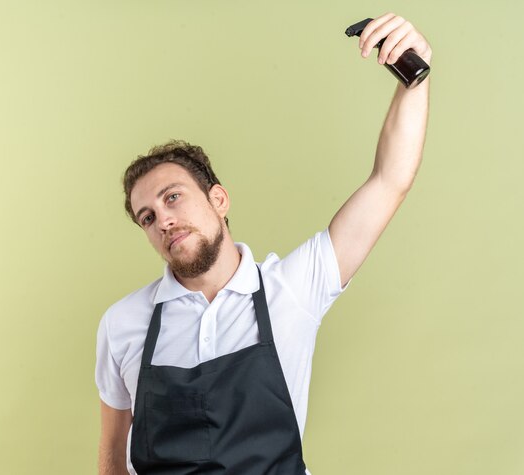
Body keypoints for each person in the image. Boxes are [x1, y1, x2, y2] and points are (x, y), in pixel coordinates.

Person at [96, 13, 432, 475]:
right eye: (147, 217)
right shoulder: (123, 323)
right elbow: (113, 454)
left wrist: (413, 79)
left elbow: (389, 180)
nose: (164, 220)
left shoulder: (292, 288)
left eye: (173, 197)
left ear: (218, 198)